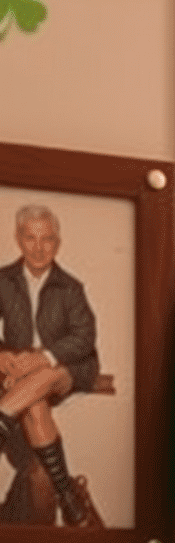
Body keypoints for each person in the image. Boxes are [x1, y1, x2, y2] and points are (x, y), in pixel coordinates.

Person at [0, 204, 103, 526]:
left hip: (66, 368)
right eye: (31, 238)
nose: (39, 247)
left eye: (47, 239)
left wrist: (41, 357)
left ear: (57, 243)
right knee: (34, 407)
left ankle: (2, 414)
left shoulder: (70, 287)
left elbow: (84, 337)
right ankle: (67, 496)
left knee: (46, 375)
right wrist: (3, 356)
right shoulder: (2, 280)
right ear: (18, 239)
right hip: (22, 376)